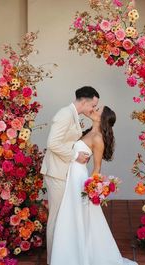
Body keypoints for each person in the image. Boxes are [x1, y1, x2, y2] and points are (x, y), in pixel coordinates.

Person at [50, 106, 138, 265]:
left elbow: (97, 168)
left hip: (79, 180)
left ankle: (79, 255)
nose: (94, 109)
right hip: (71, 175)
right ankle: (70, 253)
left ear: (102, 118)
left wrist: (92, 189)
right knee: (70, 214)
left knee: (78, 215)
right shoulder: (89, 131)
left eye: (98, 110)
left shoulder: (97, 138)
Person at [40, 86, 99, 264]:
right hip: (57, 173)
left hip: (64, 172)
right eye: (93, 105)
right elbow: (52, 143)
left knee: (62, 218)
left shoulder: (74, 115)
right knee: (56, 218)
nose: (94, 109)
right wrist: (75, 155)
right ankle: (52, 260)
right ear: (84, 101)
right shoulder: (65, 114)